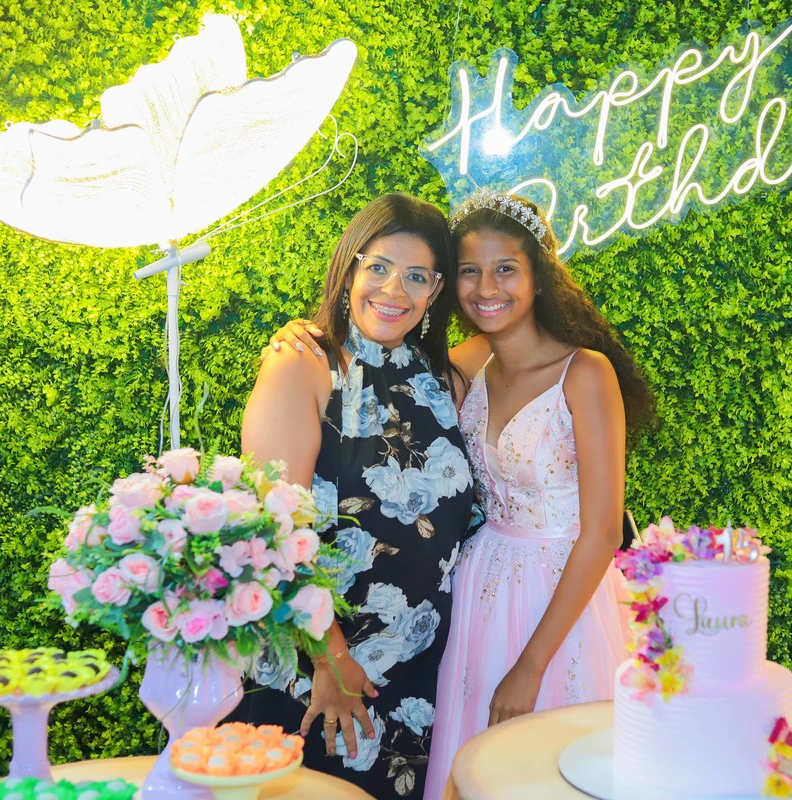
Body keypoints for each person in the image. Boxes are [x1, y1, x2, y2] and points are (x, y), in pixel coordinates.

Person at [269, 190, 654, 799]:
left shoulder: (550, 372)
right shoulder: (437, 367)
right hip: (454, 605)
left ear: (539, 276)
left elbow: (603, 530)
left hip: (536, 602)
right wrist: (305, 336)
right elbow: (280, 529)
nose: (486, 288)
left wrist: (529, 667)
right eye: (470, 271)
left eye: (506, 269)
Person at [234, 193, 476, 800]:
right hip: (321, 671)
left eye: (416, 276)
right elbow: (274, 535)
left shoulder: (441, 379)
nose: (395, 290)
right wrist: (331, 660)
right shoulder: (303, 363)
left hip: (417, 668)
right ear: (349, 269)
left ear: (436, 290)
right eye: (379, 267)